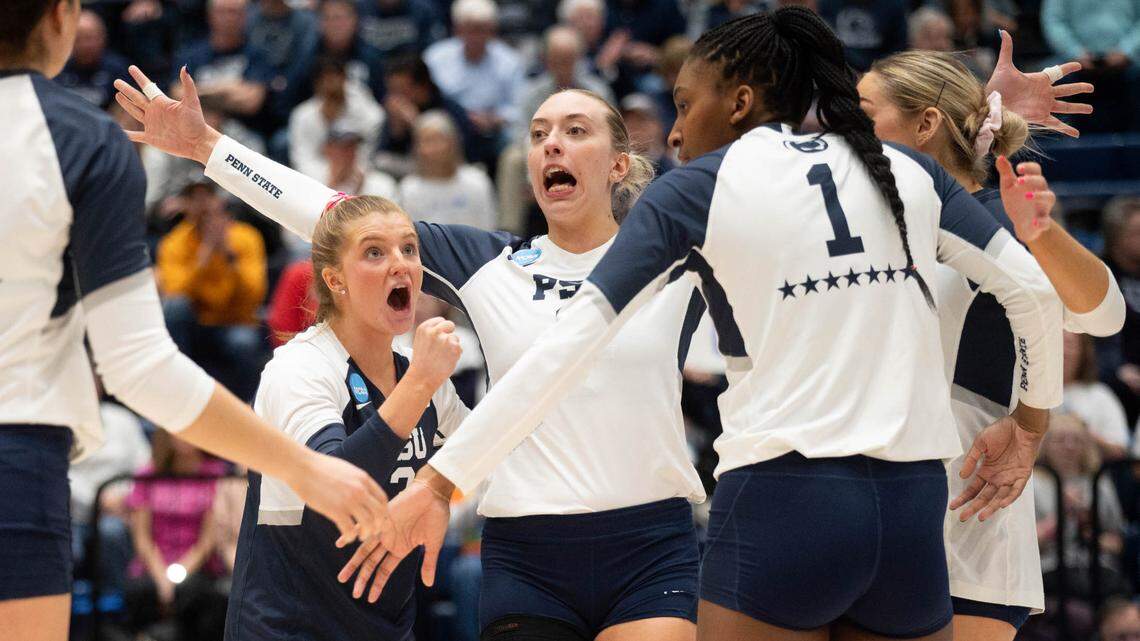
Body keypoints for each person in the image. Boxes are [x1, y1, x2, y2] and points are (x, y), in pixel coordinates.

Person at [375, 8, 1070, 641]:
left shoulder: (696, 187)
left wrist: (438, 483)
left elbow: (566, 349)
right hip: (912, 512)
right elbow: (1036, 295)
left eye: (684, 103)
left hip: (785, 503)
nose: (674, 131)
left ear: (739, 102)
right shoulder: (907, 169)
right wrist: (1030, 424)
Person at [118, 69, 709, 641]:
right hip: (528, 557)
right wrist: (208, 147)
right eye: (537, 134)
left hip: (649, 545)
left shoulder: (681, 263)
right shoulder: (491, 264)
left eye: (575, 130)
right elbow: (338, 221)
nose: (552, 143)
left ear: (618, 164)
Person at [0, 2, 392, 639]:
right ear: (61, 17)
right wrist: (302, 467)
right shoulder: (77, 137)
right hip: (15, 448)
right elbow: (139, 366)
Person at [857, 49, 1123, 641]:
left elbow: (1104, 315)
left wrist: (1042, 236)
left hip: (968, 507)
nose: (845, 135)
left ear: (925, 124)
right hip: (866, 508)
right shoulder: (867, 223)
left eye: (863, 114)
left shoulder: (988, 217)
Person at [224, 195, 468, 641]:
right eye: (375, 252)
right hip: (289, 628)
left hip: (387, 627)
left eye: (409, 249)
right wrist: (419, 385)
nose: (400, 264)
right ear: (335, 280)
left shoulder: (419, 368)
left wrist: (441, 486)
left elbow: (482, 452)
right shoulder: (299, 368)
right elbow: (333, 484)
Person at [156, 174, 268, 401]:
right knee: (175, 308)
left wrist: (228, 256)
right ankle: (176, 395)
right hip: (197, 325)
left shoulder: (246, 237)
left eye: (206, 196)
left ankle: (249, 409)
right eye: (193, 197)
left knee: (243, 341)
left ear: (220, 200)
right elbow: (175, 293)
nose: (201, 204)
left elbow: (255, 295)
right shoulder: (174, 243)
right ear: (183, 205)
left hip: (235, 322)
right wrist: (204, 256)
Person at [124, 431, 229, 641]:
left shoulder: (215, 474)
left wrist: (179, 574)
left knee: (195, 593)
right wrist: (162, 577)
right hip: (153, 563)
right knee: (140, 591)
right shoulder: (147, 474)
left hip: (199, 565)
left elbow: (207, 541)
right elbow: (142, 538)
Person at [399, 111, 498, 230]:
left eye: (439, 140)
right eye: (427, 141)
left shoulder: (477, 181)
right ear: (417, 148)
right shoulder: (409, 189)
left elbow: (489, 229)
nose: (434, 149)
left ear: (453, 143)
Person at [1062, 331, 1129, 461]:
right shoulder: (1030, 394)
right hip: (1039, 478)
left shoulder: (1100, 395)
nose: (1063, 352)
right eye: (1056, 344)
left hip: (1091, 477)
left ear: (1082, 352)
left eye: (1069, 344)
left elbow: (1119, 452)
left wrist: (1082, 430)